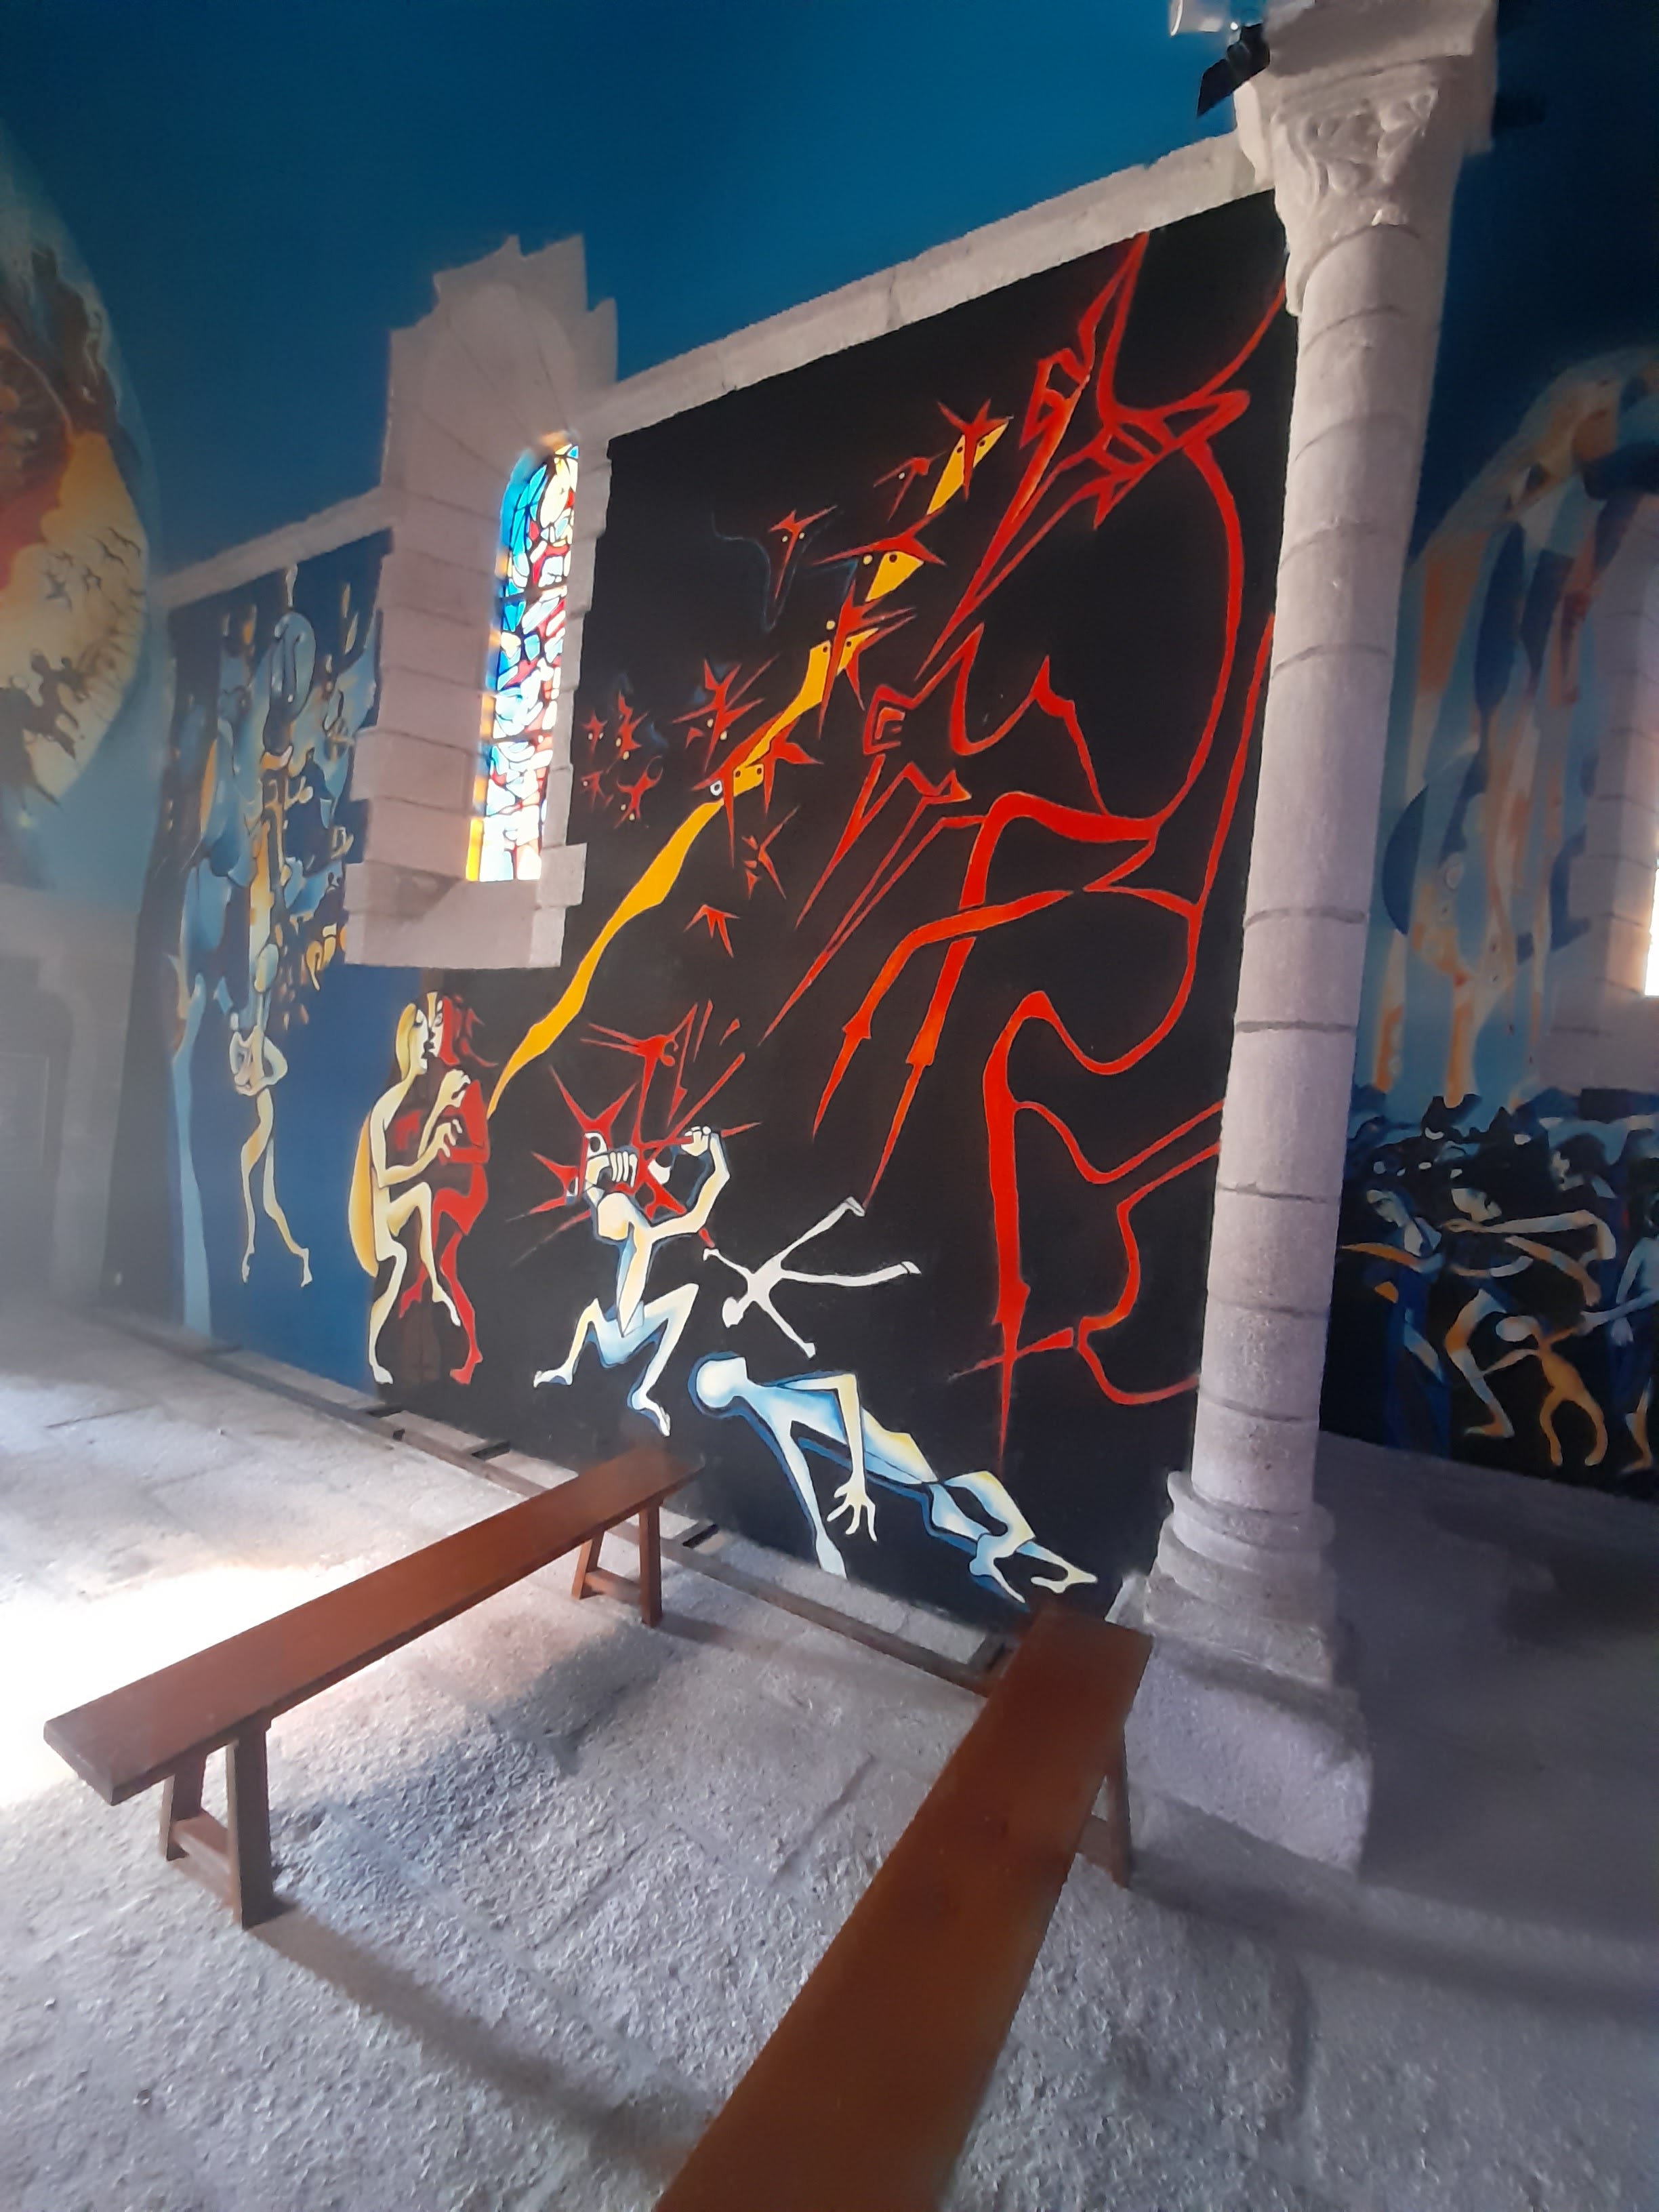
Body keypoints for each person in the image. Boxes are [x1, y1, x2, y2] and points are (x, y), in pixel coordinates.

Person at [689, 1352, 1095, 1602]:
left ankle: (1015, 1560)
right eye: (721, 1370)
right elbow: (812, 1442)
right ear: (728, 1383)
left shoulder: (774, 1397)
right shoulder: (774, 1402)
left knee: (954, 1500)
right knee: (969, 1488)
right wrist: (831, 1520)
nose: (730, 1361)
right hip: (885, 1452)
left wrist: (841, 1502)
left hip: (882, 1452)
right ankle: (1012, 1557)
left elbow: (843, 1388)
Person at [534, 1125, 729, 1435]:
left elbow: (697, 1215)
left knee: (684, 1297)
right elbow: (595, 1195)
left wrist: (715, 1156)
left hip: (626, 1329)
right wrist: (602, 1163)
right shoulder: (645, 1234)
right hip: (619, 1334)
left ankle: (639, 1391)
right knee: (594, 1311)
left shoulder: (647, 1235)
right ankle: (573, 1370)